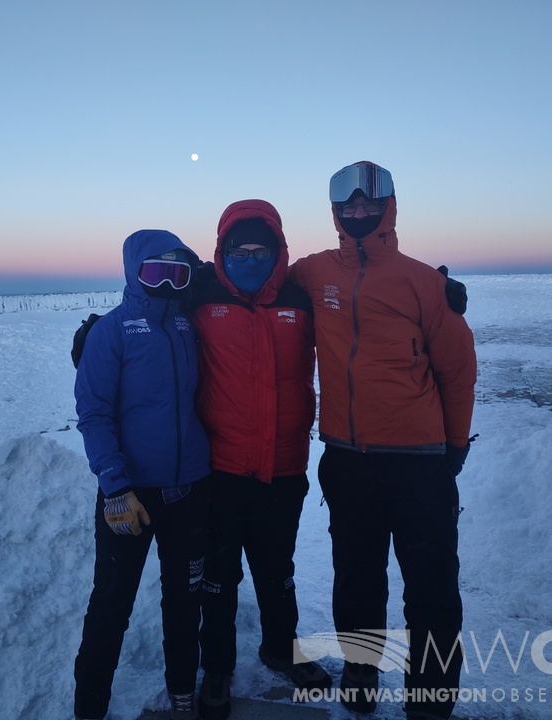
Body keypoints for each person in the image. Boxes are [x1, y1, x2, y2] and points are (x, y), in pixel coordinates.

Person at [289, 161, 477, 720]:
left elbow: (458, 370)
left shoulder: (423, 282)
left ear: (389, 206)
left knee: (432, 587)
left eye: (369, 202)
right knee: (357, 578)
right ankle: (361, 669)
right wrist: (199, 284)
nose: (357, 211)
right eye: (346, 204)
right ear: (334, 210)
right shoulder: (314, 272)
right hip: (348, 460)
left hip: (418, 462)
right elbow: (260, 281)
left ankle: (431, 698)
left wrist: (455, 446)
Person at [189, 200, 331, 720]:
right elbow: (147, 307)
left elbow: (366, 301)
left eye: (260, 250)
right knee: (220, 576)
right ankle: (218, 667)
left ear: (278, 252)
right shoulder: (200, 294)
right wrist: (99, 335)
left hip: (285, 465)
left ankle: (280, 649)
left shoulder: (302, 296)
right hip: (221, 470)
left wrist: (437, 295)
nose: (250, 259)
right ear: (222, 252)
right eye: (239, 249)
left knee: (277, 570)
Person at [73, 229, 212, 720]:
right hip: (128, 494)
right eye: (157, 273)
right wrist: (114, 486)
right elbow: (93, 413)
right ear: (135, 273)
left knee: (185, 599)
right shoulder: (110, 331)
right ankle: (89, 707)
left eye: (179, 274)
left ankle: (182, 693)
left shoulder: (186, 327)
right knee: (112, 603)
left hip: (188, 490)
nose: (169, 284)